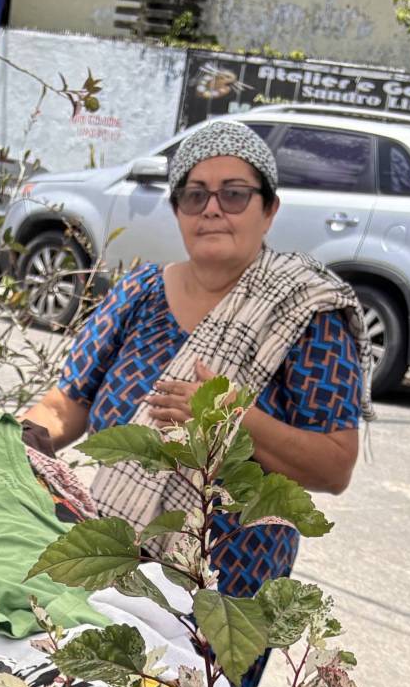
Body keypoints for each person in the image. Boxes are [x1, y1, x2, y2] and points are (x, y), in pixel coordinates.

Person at [19, 121, 367, 615]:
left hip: (230, 598)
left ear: (269, 210)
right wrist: (5, 449)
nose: (212, 209)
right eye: (194, 194)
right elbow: (67, 403)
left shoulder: (308, 315)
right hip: (112, 565)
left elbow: (334, 466)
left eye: (234, 194)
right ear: (177, 208)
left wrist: (231, 420)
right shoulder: (138, 294)